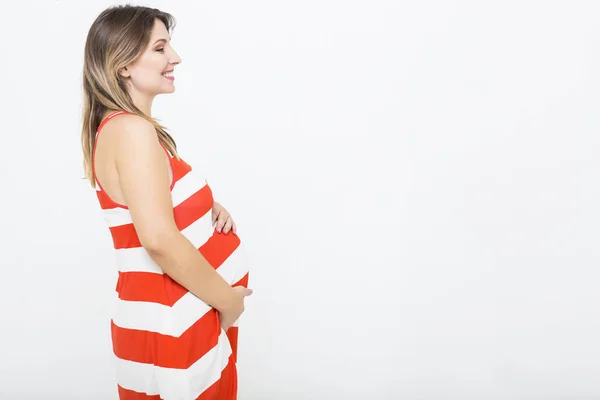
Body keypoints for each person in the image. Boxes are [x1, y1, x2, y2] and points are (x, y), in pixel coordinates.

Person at [80, 5, 252, 399]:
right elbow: (158, 239)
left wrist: (203, 206)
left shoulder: (127, 130)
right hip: (174, 322)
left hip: (177, 318)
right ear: (123, 64)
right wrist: (229, 303)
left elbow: (153, 212)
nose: (174, 57)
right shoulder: (132, 131)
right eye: (160, 48)